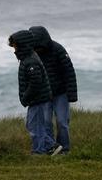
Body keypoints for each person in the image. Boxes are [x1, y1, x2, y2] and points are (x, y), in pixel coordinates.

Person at [8, 30, 62, 156]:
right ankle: (49, 146)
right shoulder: (27, 58)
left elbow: (36, 82)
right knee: (33, 125)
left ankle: (41, 150)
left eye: (15, 46)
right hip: (37, 99)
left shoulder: (30, 61)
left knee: (34, 126)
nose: (14, 50)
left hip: (38, 99)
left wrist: (26, 97)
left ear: (23, 44)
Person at [29, 26, 78, 154]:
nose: (38, 49)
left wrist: (72, 95)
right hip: (44, 95)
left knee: (62, 122)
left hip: (60, 93)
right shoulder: (31, 53)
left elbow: (69, 72)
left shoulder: (58, 49)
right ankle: (51, 148)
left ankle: (64, 149)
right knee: (46, 122)